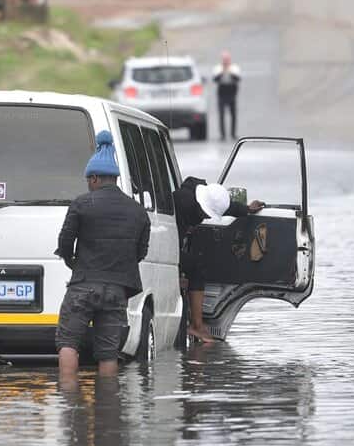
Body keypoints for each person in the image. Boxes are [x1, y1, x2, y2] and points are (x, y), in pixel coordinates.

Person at [54, 130, 150, 379]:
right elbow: (141, 252)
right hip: (117, 290)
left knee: (68, 342)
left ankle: (68, 400)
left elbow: (65, 242)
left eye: (89, 180)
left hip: (83, 285)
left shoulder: (81, 204)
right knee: (108, 353)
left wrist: (72, 262)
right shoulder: (138, 211)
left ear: (94, 178)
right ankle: (109, 406)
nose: (88, 185)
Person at [173, 178, 263, 344]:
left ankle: (196, 323)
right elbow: (173, 239)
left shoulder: (204, 194)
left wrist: (247, 209)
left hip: (175, 242)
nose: (205, 216)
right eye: (206, 213)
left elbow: (227, 207)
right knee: (196, 268)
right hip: (168, 246)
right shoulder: (181, 204)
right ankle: (197, 326)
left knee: (195, 266)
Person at [211, 51, 241, 141]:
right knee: (221, 114)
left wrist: (229, 71)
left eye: (227, 59)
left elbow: (237, 78)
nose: (226, 61)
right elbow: (215, 79)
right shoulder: (218, 68)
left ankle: (233, 133)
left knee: (233, 114)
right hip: (222, 93)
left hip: (232, 93)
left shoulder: (234, 68)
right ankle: (222, 134)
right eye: (224, 59)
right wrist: (223, 71)